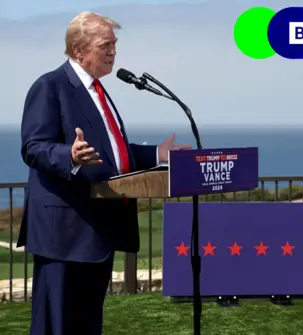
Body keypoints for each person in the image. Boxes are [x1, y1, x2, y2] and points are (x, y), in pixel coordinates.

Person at [17, 11, 192, 334]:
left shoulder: (98, 90)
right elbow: (34, 147)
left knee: (87, 324)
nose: (113, 51)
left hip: (97, 229)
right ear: (79, 49)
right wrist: (68, 154)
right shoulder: (50, 86)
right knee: (55, 325)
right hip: (63, 232)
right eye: (105, 45)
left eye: (115, 44)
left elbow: (112, 150)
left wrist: (156, 154)